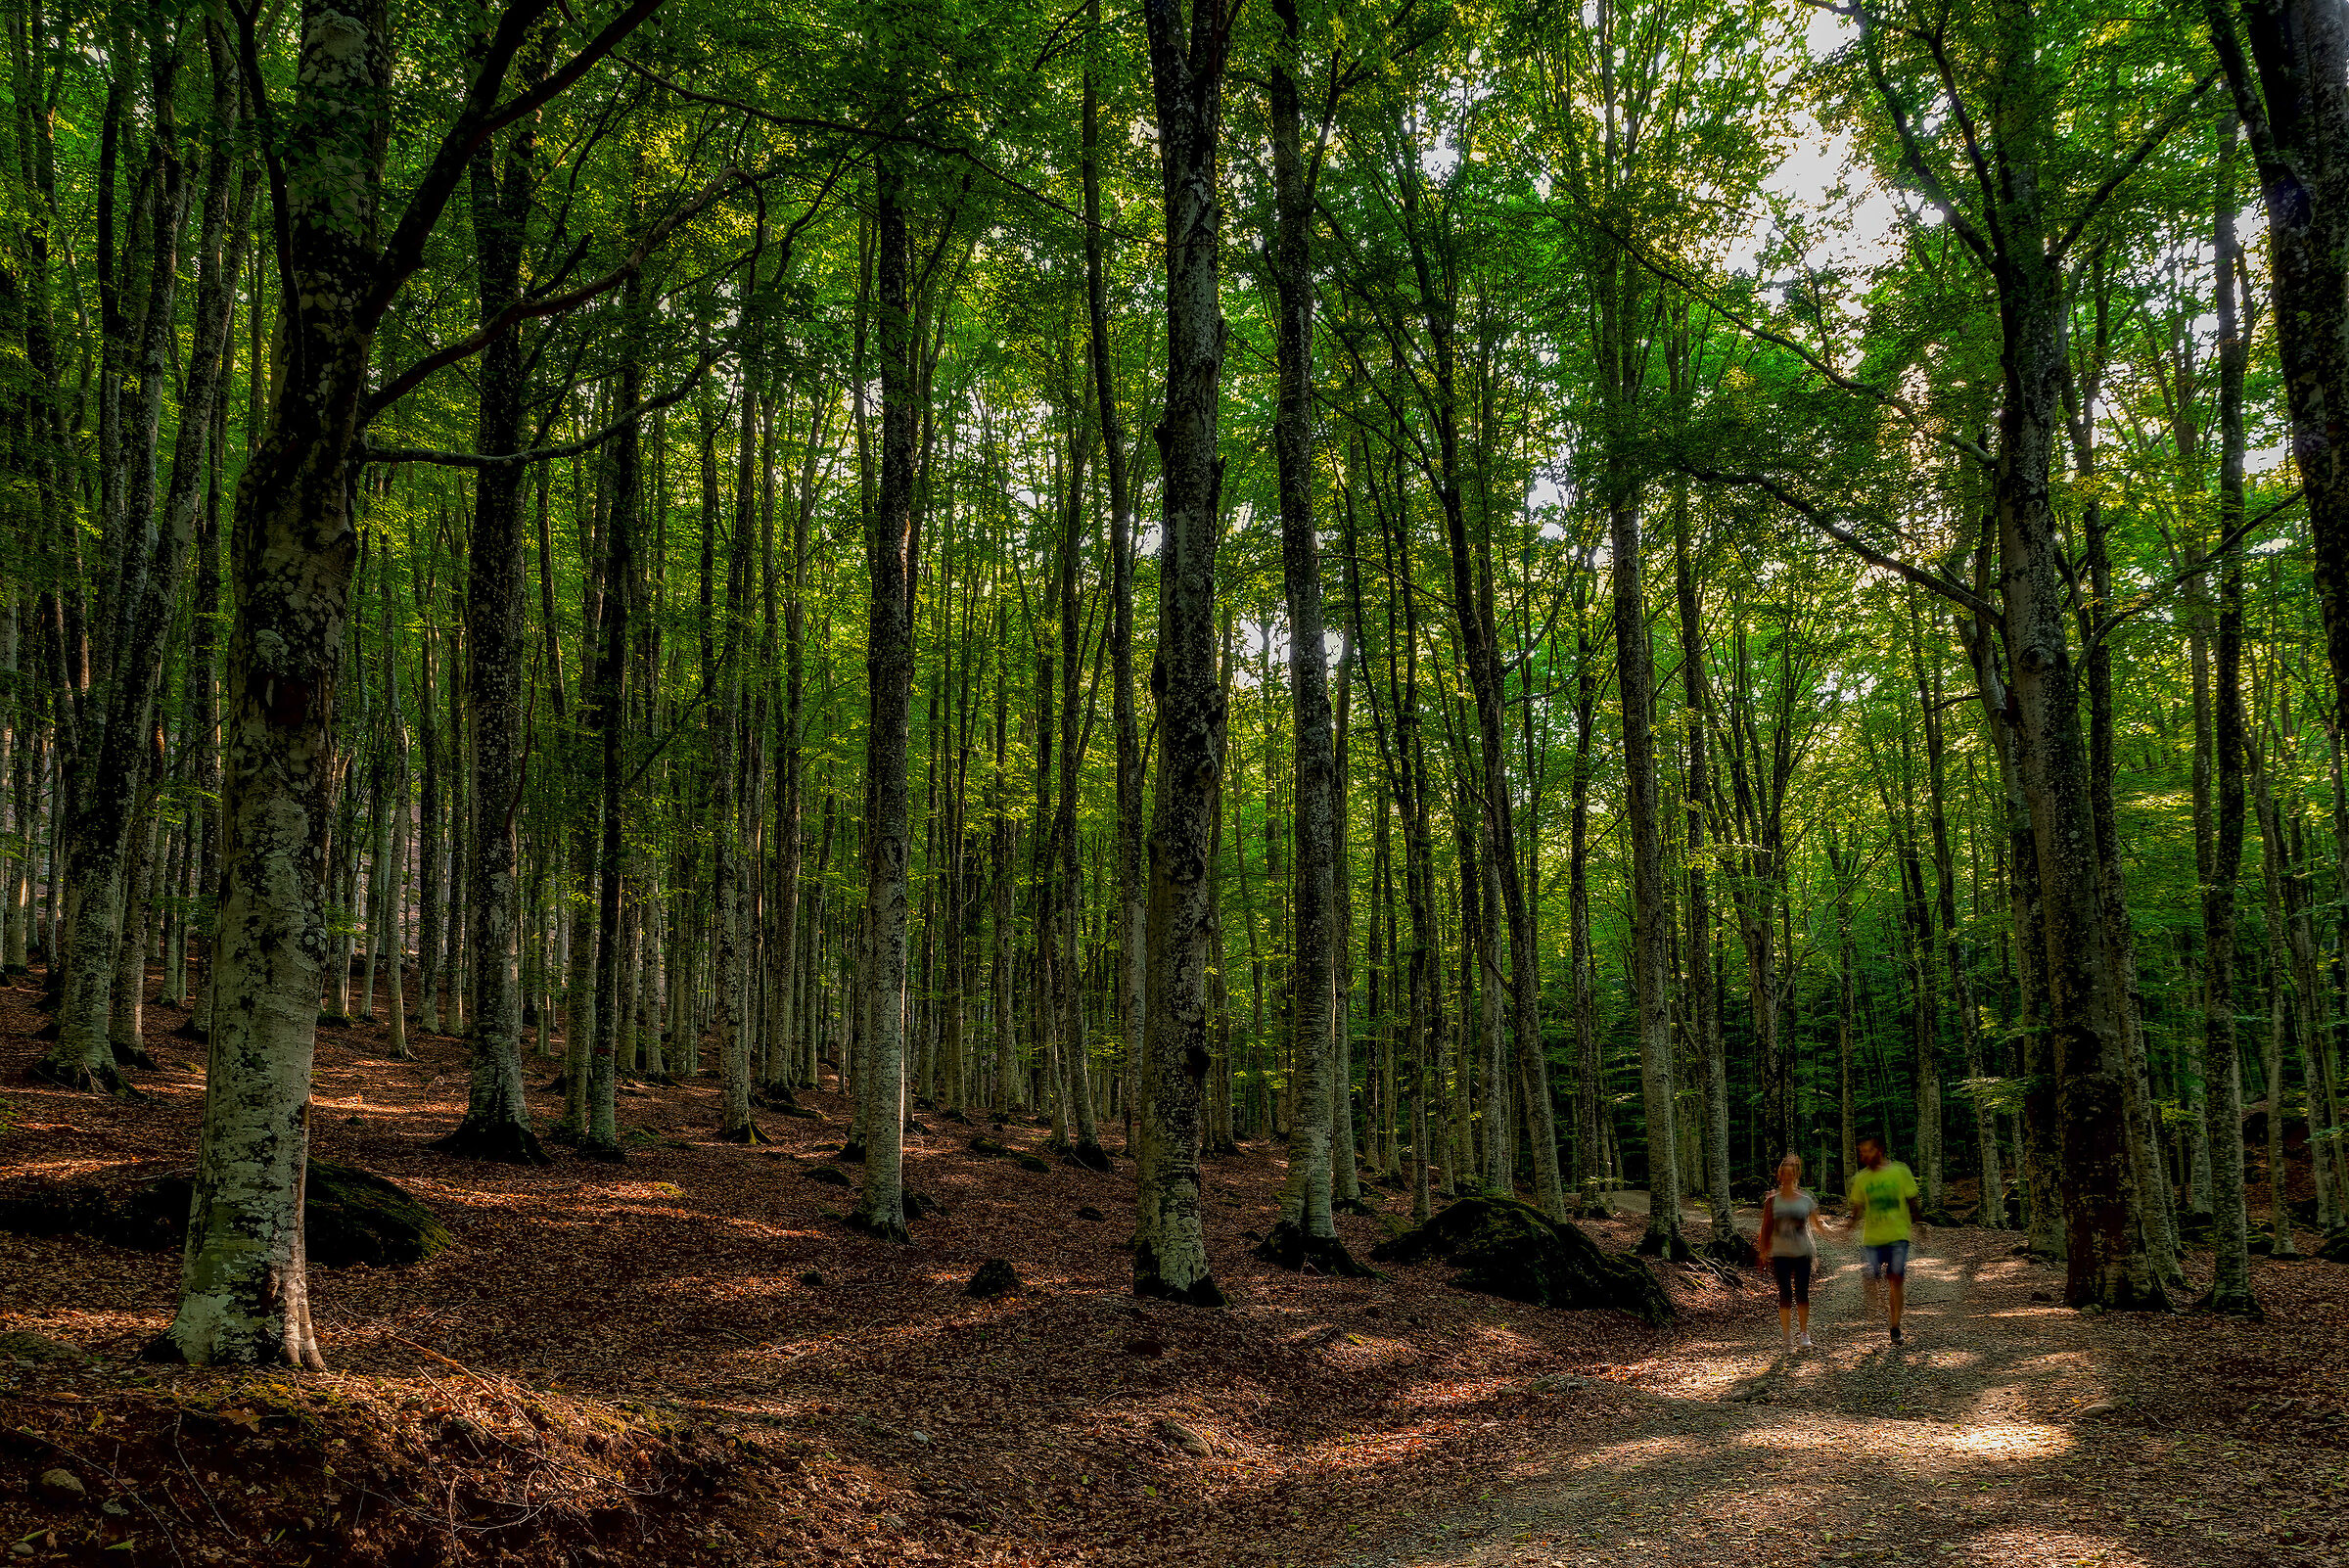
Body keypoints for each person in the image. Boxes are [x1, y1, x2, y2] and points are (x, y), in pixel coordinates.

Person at [1846, 1134, 1924, 1343]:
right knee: (1871, 1278)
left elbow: (1912, 1199)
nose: (1863, 1156)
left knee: (1896, 1279)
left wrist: (1919, 1224)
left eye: (1867, 1151)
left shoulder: (1900, 1171)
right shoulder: (1861, 1178)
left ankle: (1895, 1326)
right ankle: (1876, 1311)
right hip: (1871, 1238)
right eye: (1861, 1152)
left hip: (1898, 1235)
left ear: (1879, 1150)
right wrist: (1847, 1227)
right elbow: (1857, 1209)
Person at [1758, 1153, 1818, 1355]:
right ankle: (1786, 1338)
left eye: (1790, 1174)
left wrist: (1839, 1232)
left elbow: (1817, 1224)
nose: (1786, 1177)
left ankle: (1803, 1334)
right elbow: (1766, 1227)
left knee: (1802, 1293)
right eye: (1783, 1173)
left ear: (1796, 1176)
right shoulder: (1772, 1201)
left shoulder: (1806, 1200)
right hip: (1780, 1253)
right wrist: (1763, 1251)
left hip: (1803, 1252)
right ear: (1779, 1175)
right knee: (1785, 1294)